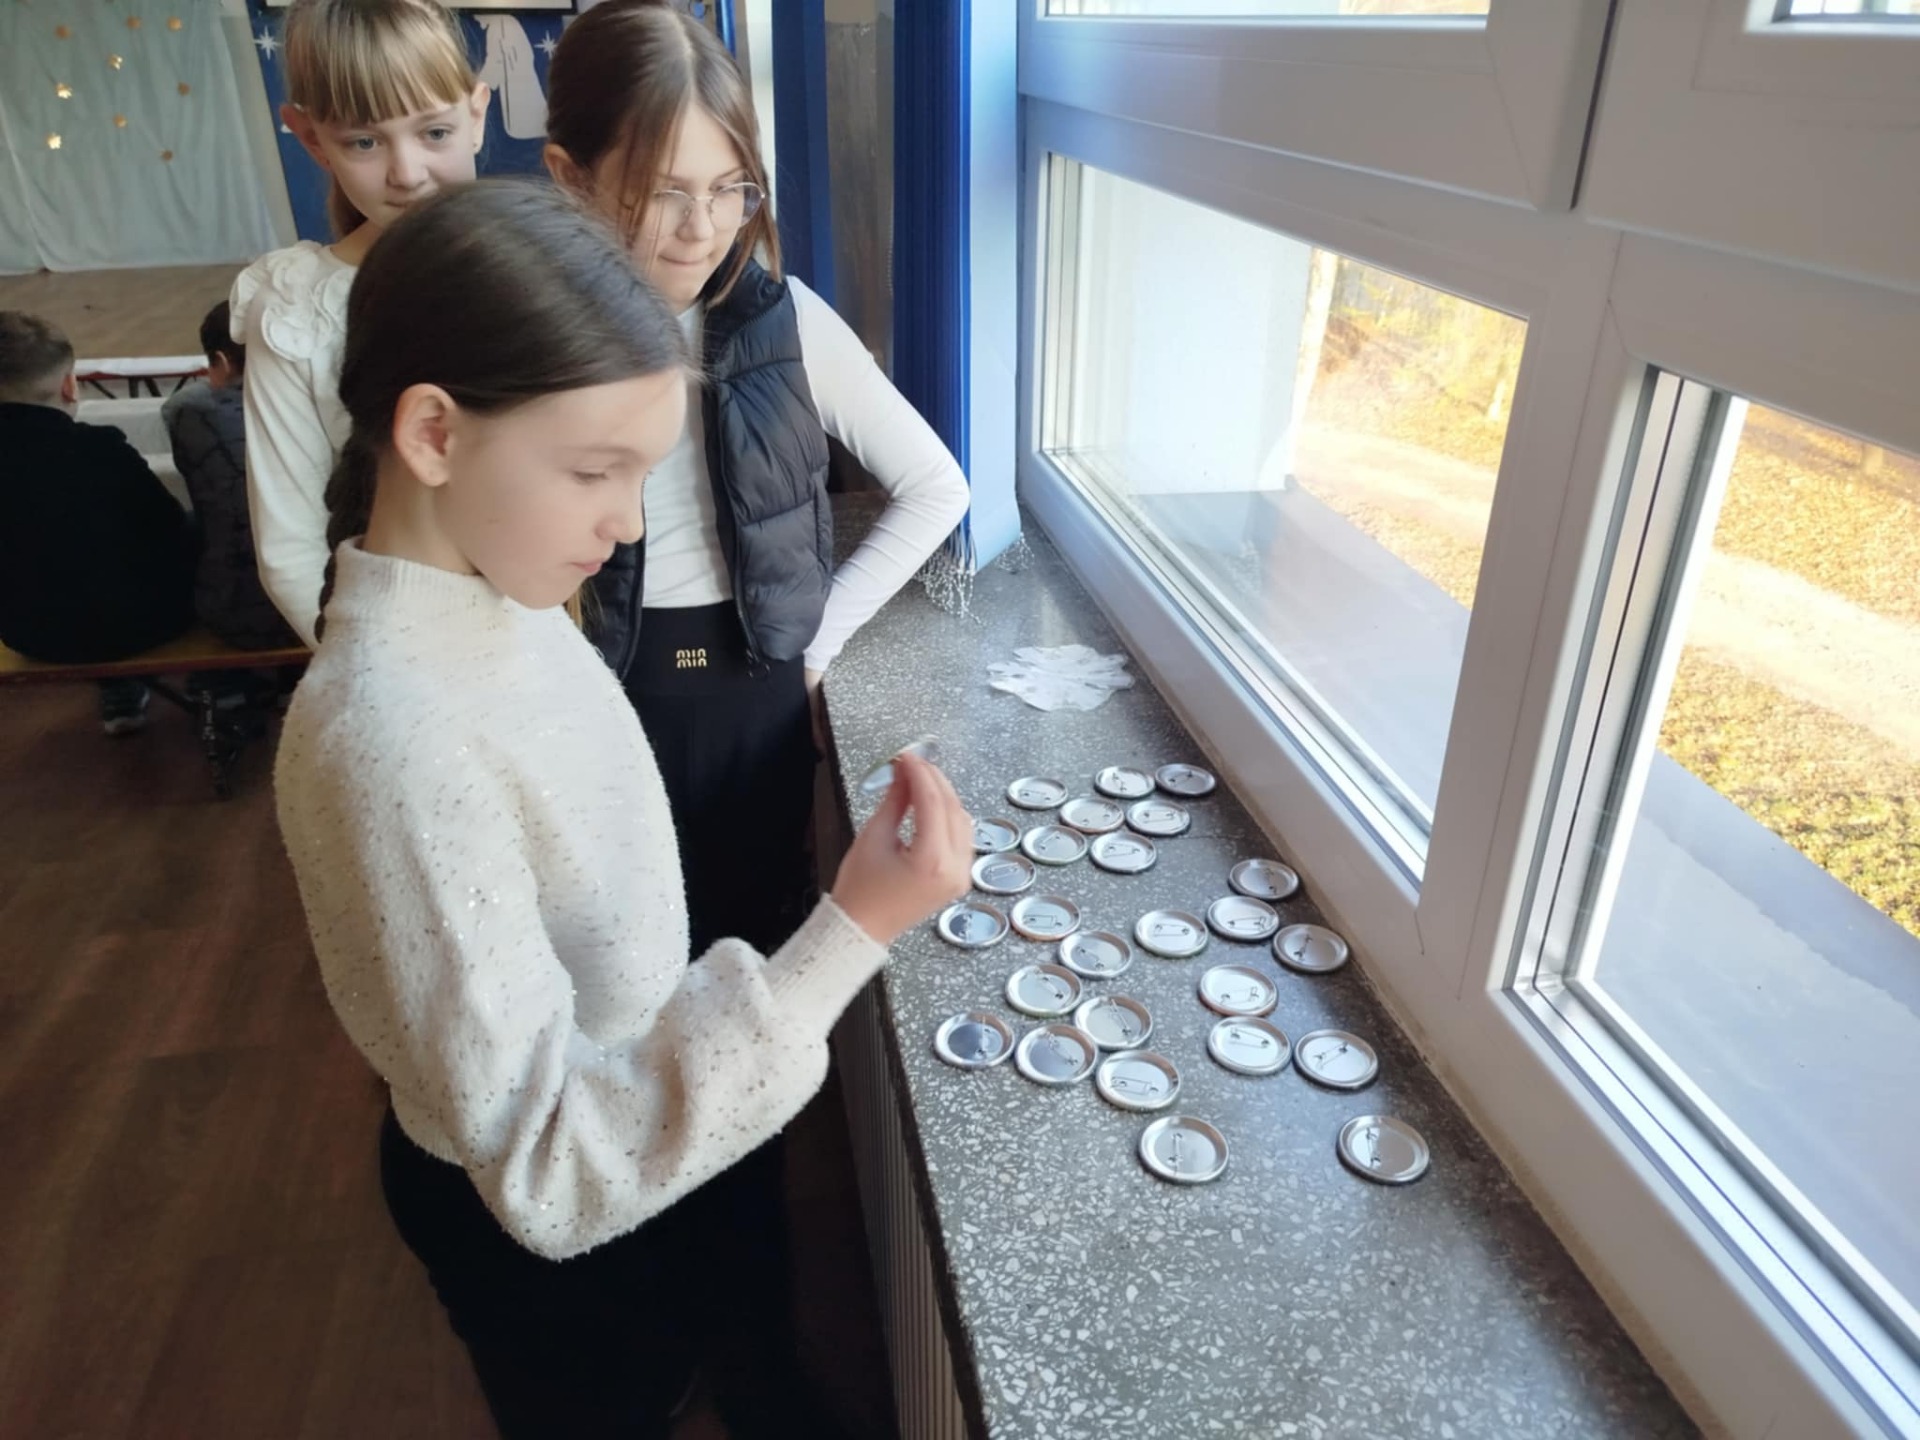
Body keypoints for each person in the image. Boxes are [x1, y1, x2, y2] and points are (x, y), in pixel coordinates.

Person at [274, 180, 974, 1440]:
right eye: (597, 470)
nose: (628, 522)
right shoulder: (399, 738)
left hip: (628, 1138)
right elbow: (549, 1166)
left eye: (642, 472)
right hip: (547, 1233)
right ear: (432, 434)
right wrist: (850, 930)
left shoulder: (502, 600)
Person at [541, 9, 971, 1428]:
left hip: (744, 714)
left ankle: (757, 1356)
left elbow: (938, 487)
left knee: (741, 1017)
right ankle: (635, 1326)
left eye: (728, 188)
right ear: (570, 176)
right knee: (608, 1018)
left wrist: (811, 646)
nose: (701, 226)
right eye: (662, 190)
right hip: (594, 712)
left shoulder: (783, 322)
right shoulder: (531, 334)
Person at [230, 0, 488, 647]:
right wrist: (382, 669)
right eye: (365, 142)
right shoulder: (294, 309)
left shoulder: (537, 269)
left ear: (477, 115)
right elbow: (291, 550)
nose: (407, 173)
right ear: (312, 138)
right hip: (389, 645)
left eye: (435, 132)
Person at [0, 311, 195, 734]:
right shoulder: (100, 449)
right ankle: (226, 681)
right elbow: (168, 526)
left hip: (29, 633)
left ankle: (119, 689)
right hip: (148, 624)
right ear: (70, 386)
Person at [164, 302, 302, 654]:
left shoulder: (192, 415)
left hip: (237, 613)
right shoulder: (320, 406)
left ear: (222, 362)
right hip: (321, 604)